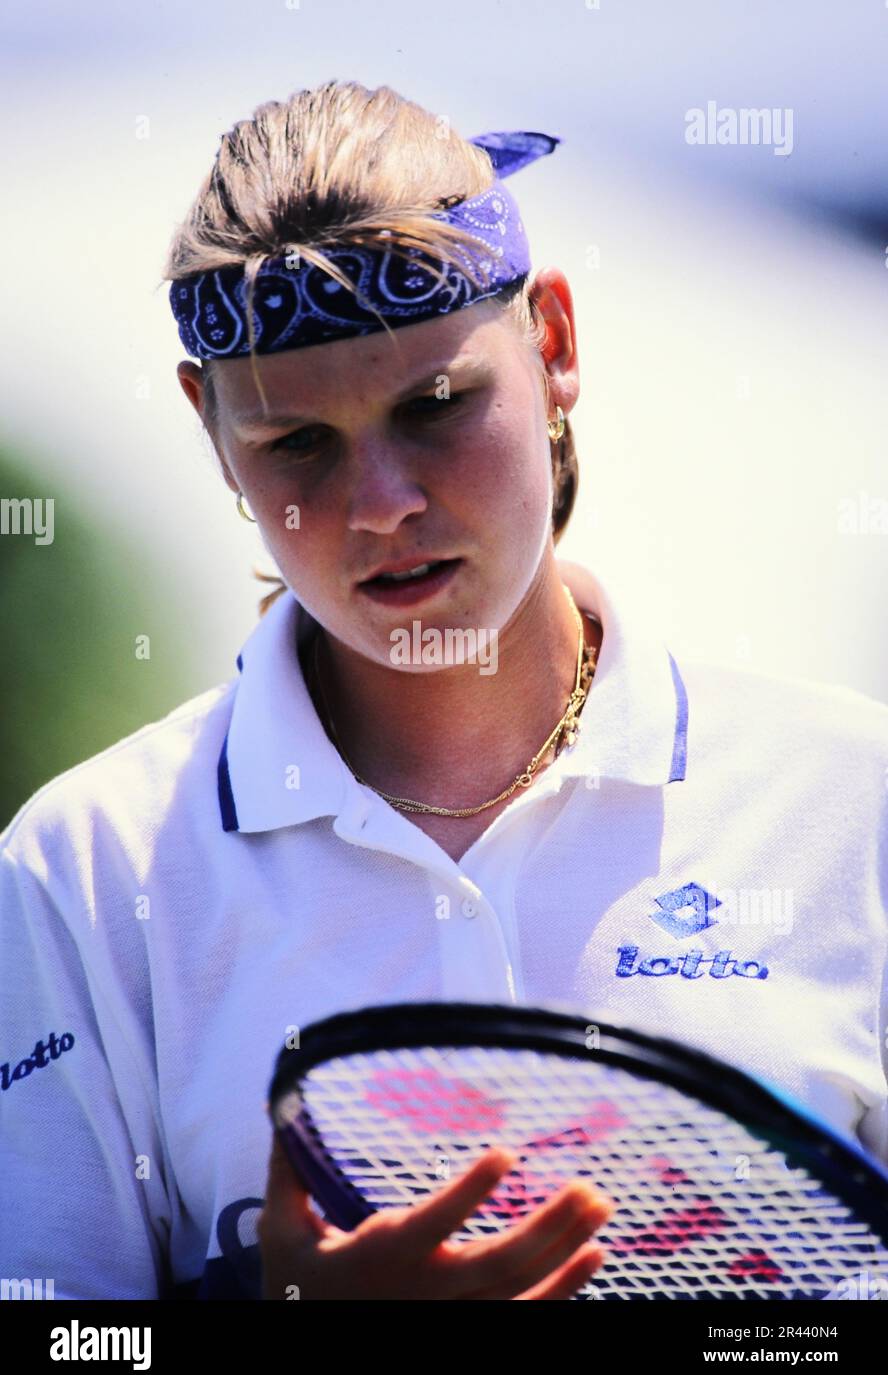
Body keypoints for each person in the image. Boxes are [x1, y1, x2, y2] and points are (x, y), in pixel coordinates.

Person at [1, 80, 886, 1302]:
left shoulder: (854, 800)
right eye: (295, 441)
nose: (381, 504)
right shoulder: (81, 870)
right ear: (212, 431)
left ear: (557, 346)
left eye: (434, 406)